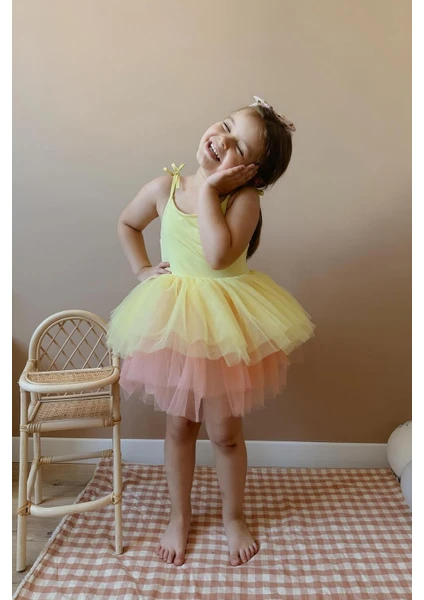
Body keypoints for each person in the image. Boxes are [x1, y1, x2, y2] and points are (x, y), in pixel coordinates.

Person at [107, 96, 315, 567]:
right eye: (225, 126)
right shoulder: (165, 187)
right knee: (179, 426)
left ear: (252, 175)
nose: (222, 140)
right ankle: (179, 516)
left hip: (225, 327)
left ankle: (233, 516)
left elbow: (219, 256)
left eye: (239, 146)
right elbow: (127, 222)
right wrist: (141, 270)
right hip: (178, 325)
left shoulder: (243, 201)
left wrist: (209, 192)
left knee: (225, 433)